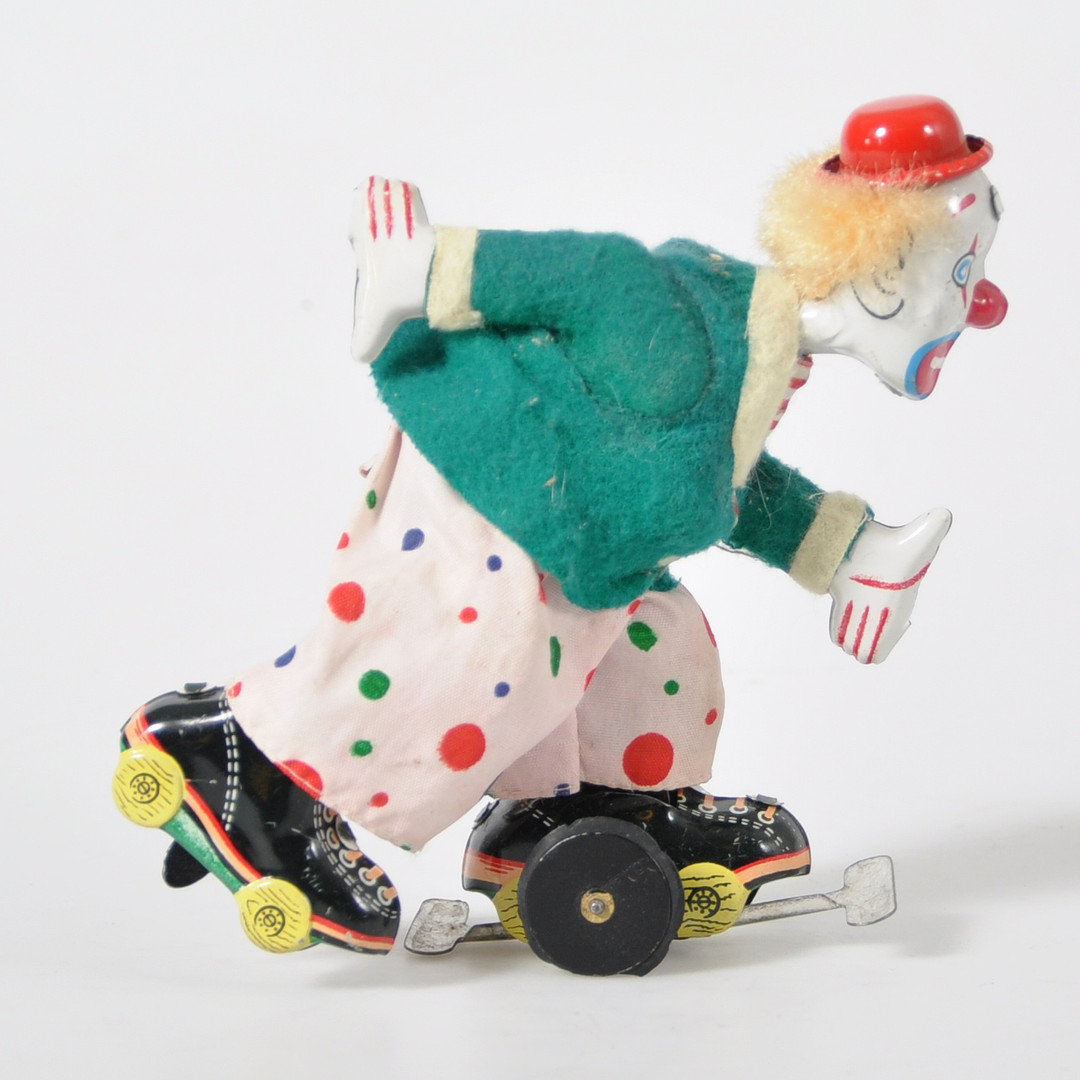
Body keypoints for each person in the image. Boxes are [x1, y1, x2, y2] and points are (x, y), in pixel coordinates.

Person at [113, 96, 1006, 957]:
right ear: (887, 275)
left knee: (655, 639)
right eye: (965, 274)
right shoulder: (693, 308)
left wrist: (847, 551)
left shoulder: (760, 345)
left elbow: (725, 476)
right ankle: (248, 760)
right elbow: (597, 276)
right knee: (467, 656)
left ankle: (574, 806)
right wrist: (429, 265)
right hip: (496, 493)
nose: (984, 302)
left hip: (582, 544)